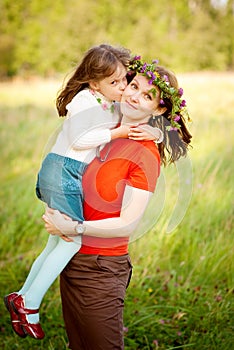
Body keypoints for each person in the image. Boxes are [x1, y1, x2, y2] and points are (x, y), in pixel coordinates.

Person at [4, 45, 163, 340]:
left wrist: (158, 131)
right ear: (94, 82)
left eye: (123, 81)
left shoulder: (106, 102)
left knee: (56, 243)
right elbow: (79, 139)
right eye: (119, 84)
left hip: (66, 174)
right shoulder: (84, 100)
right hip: (63, 170)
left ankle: (23, 296)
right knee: (68, 241)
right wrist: (120, 133)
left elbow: (132, 114)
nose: (123, 90)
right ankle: (29, 304)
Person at [41, 57, 192, 349]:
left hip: (101, 268)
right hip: (71, 259)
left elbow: (127, 224)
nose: (135, 95)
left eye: (148, 96)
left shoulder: (144, 153)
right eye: (133, 85)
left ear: (159, 109)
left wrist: (72, 226)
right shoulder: (104, 132)